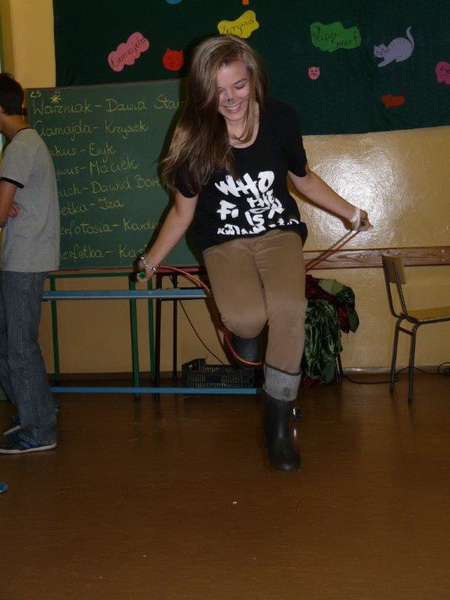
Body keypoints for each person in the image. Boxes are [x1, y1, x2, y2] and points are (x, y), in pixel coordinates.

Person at [137, 35, 372, 472]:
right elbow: (183, 212)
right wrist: (150, 261)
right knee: (246, 320)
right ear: (202, 91)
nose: (230, 99)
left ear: (254, 79)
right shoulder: (193, 133)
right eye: (218, 91)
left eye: (239, 86)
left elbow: (303, 178)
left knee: (289, 309)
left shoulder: (280, 118)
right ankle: (240, 330)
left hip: (278, 234)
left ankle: (277, 422)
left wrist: (351, 212)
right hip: (222, 241)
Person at [0, 73, 60, 454]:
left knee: (20, 345)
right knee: (8, 339)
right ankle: (34, 409)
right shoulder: (26, 143)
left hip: (24, 259)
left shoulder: (19, 147)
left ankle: (39, 428)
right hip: (23, 257)